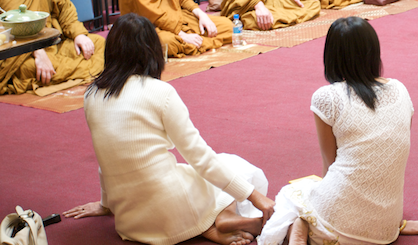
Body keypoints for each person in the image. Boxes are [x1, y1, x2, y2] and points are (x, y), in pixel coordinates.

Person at [63, 13, 275, 245]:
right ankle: (220, 217)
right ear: (151, 50)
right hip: (170, 207)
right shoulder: (159, 92)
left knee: (186, 175)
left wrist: (105, 205)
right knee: (238, 168)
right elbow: (200, 157)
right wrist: (256, 197)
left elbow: (106, 159)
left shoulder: (91, 94)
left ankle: (207, 225)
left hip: (131, 224)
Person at [257, 17, 418, 245]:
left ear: (332, 56)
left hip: (337, 224)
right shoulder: (400, 89)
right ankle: (301, 226)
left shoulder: (327, 97)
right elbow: (391, 157)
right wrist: (397, 222)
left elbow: (330, 163)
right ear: (374, 53)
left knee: (295, 193)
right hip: (385, 230)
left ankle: (302, 226)